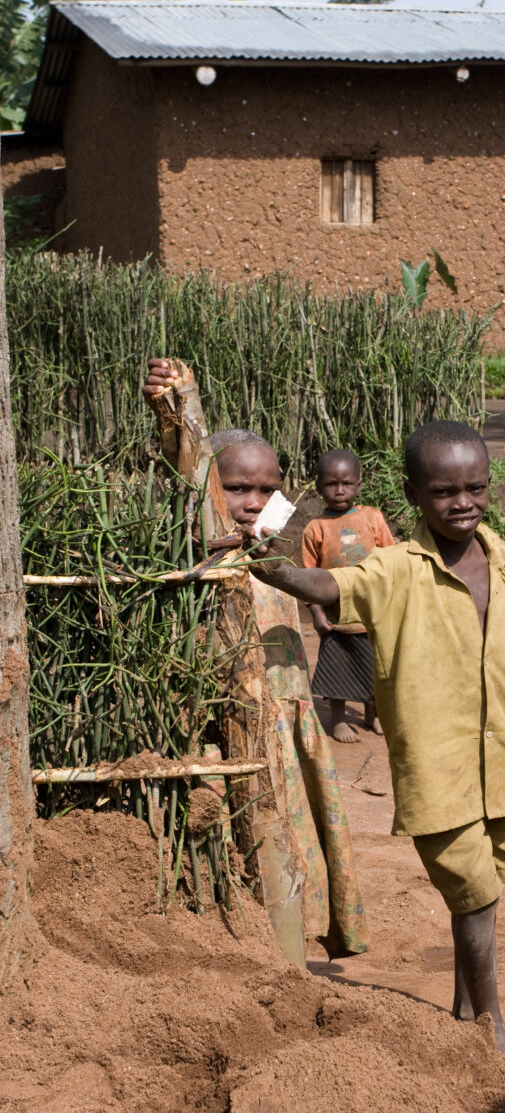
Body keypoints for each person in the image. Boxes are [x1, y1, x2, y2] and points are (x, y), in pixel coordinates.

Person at [246, 419, 505, 1064]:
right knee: (476, 890)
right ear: (413, 495)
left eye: (475, 488)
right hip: (438, 765)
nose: (462, 503)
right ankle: (489, 1025)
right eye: (443, 492)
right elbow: (332, 585)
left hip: (500, 757)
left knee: (485, 885)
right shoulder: (395, 570)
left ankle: (470, 1015)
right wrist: (266, 567)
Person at [143, 360, 368, 959]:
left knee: (294, 829)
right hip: (226, 716)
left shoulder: (277, 525)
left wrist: (251, 534)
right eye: (237, 487)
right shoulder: (184, 535)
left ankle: (305, 940)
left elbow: (283, 548)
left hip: (285, 702)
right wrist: (173, 414)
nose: (253, 501)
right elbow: (184, 476)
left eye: (266, 487)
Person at [302, 448, 394, 744]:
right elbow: (308, 577)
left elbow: (391, 560)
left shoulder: (372, 518)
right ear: (318, 488)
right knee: (338, 669)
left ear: (359, 485)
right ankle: (339, 719)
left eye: (346, 483)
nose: (339, 490)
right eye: (331, 484)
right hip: (337, 616)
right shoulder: (315, 529)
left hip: (374, 610)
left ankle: (375, 713)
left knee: (379, 668)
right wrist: (317, 613)